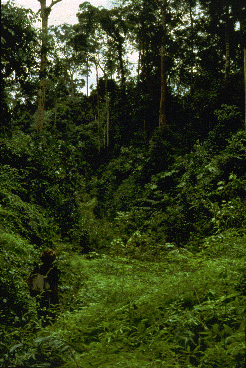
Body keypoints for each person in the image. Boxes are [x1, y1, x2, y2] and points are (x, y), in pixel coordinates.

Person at [27, 248, 61, 326]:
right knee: (50, 319)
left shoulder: (37, 268)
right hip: (49, 298)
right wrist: (57, 302)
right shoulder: (53, 271)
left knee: (40, 315)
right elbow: (54, 288)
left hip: (38, 295)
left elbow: (28, 280)